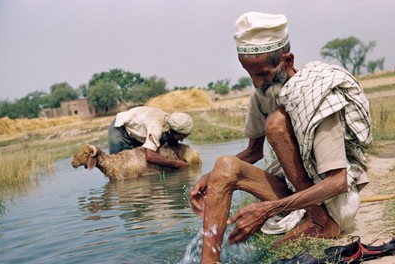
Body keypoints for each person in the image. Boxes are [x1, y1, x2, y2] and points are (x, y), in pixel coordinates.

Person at [188, 12, 373, 263]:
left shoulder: (317, 96)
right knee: (224, 165)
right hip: (296, 193)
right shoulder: (264, 93)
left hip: (334, 201)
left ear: (287, 59)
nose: (256, 83)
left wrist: (269, 209)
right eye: (250, 74)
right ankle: (209, 261)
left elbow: (338, 181)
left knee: (275, 123)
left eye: (263, 74)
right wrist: (209, 178)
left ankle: (320, 222)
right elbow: (254, 152)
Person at [108, 106, 193, 168]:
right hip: (121, 129)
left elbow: (172, 142)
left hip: (140, 131)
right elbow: (150, 156)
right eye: (180, 137)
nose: (181, 140)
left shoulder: (172, 122)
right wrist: (176, 163)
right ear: (173, 131)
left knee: (139, 163)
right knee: (119, 164)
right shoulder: (156, 127)